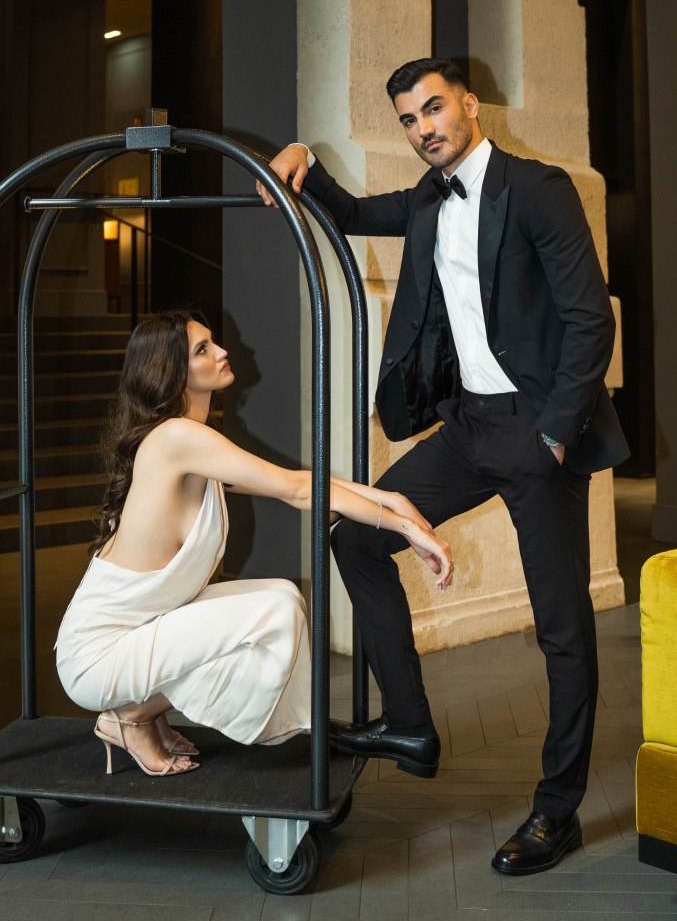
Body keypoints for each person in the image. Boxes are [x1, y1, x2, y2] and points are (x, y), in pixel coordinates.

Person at [256, 57, 629, 875]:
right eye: (407, 118)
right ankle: (410, 723)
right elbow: (351, 212)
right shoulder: (429, 198)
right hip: (467, 429)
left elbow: (588, 321)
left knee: (561, 629)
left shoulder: (538, 189)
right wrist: (300, 159)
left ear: (469, 103)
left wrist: (553, 435)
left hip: (536, 433)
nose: (422, 127)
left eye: (432, 108)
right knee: (356, 534)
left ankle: (556, 809)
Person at [55, 310, 452, 779]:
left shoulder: (189, 441)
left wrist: (391, 500)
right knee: (274, 615)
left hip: (141, 633)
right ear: (172, 371)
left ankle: (145, 713)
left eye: (213, 342)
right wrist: (404, 528)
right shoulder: (177, 438)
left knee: (282, 595)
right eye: (203, 349)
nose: (223, 351)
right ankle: (133, 716)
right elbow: (298, 490)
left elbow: (299, 481)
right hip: (98, 658)